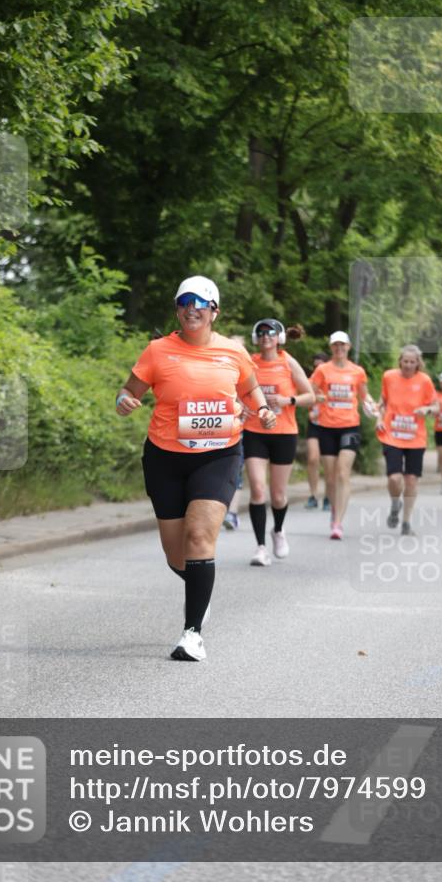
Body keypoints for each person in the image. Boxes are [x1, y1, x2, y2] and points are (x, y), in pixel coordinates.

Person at [115, 275, 276, 661]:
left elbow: (250, 390)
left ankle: (192, 634)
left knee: (199, 538)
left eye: (200, 303)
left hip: (218, 454)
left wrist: (264, 409)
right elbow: (129, 390)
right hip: (165, 456)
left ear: (213, 311)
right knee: (176, 555)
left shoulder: (234, 352)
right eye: (184, 301)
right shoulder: (157, 351)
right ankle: (199, 590)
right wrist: (123, 401)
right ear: (177, 309)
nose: (191, 309)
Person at [243, 319, 314, 566]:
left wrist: (288, 401)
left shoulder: (288, 362)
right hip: (255, 431)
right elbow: (238, 391)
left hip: (284, 432)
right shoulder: (250, 363)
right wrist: (241, 406)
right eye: (260, 332)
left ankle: (278, 530)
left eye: (270, 333)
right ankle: (261, 547)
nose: (265, 337)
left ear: (279, 337)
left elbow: (311, 396)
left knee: (278, 495)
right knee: (258, 489)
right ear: (256, 337)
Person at [309, 331, 377, 539]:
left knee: (342, 472)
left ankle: (338, 522)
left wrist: (373, 407)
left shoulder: (357, 372)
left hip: (350, 426)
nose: (339, 348)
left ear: (348, 347)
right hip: (327, 426)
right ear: (331, 348)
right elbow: (309, 391)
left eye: (342, 345)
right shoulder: (322, 370)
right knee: (330, 477)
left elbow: (365, 396)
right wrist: (316, 398)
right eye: (335, 345)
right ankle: (334, 510)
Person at [376, 345, 438, 536]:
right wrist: (379, 418)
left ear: (418, 363)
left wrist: (426, 410)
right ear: (400, 361)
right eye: (405, 361)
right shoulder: (389, 377)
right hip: (392, 435)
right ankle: (396, 503)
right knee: (394, 478)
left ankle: (406, 522)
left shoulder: (425, 381)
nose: (408, 365)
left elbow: (436, 406)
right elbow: (382, 402)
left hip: (415, 438)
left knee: (411, 480)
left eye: (412, 362)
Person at [223, 335, 247, 531]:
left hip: (242, 430)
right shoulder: (216, 368)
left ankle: (231, 513)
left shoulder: (249, 371)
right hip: (215, 430)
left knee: (236, 471)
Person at [305, 353, 331, 511]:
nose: (317, 369)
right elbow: (300, 397)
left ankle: (328, 496)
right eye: (315, 366)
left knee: (329, 464)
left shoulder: (332, 381)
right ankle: (313, 495)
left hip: (330, 426)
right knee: (313, 458)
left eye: (320, 366)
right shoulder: (309, 382)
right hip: (314, 424)